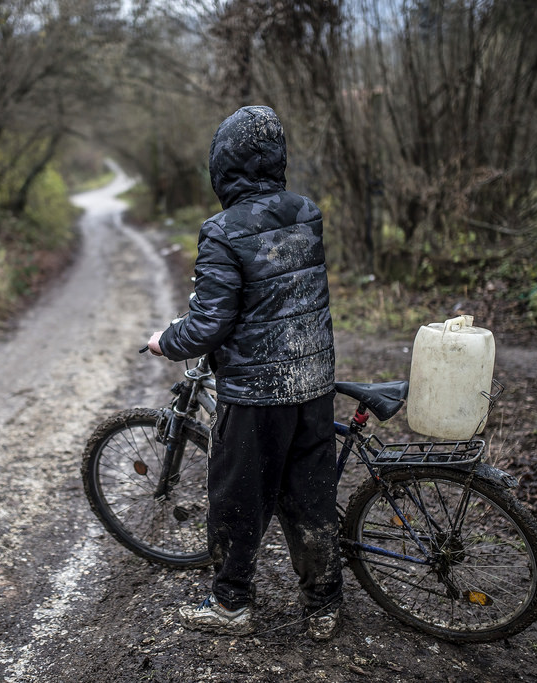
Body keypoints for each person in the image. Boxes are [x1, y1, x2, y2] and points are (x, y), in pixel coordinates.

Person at [146, 105, 343, 640]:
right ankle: (324, 607)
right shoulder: (306, 212)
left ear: (223, 165)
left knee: (238, 500)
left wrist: (166, 341)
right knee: (311, 499)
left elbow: (210, 323)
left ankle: (231, 603)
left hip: (258, 393)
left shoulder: (223, 230)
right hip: (313, 381)